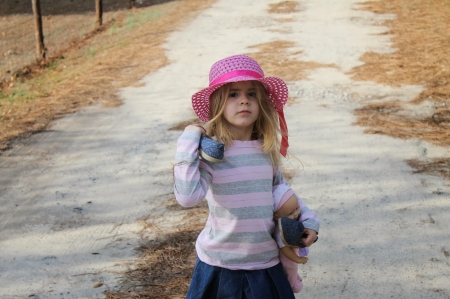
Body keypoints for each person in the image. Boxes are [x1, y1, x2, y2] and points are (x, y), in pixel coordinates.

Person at [173, 54, 319, 299]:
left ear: (261, 102)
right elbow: (187, 198)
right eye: (233, 94)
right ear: (218, 103)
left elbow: (284, 194)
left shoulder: (265, 151)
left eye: (252, 94)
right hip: (219, 265)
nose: (244, 101)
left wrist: (310, 221)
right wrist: (189, 139)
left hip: (265, 264)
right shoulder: (213, 156)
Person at [274, 194, 317, 293]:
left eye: (297, 208)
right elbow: (285, 249)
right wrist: (297, 259)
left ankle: (295, 277)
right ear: (276, 216)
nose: (296, 214)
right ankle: (292, 285)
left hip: (292, 251)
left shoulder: (290, 221)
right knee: (291, 268)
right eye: (290, 213)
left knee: (292, 270)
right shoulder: (280, 231)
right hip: (287, 256)